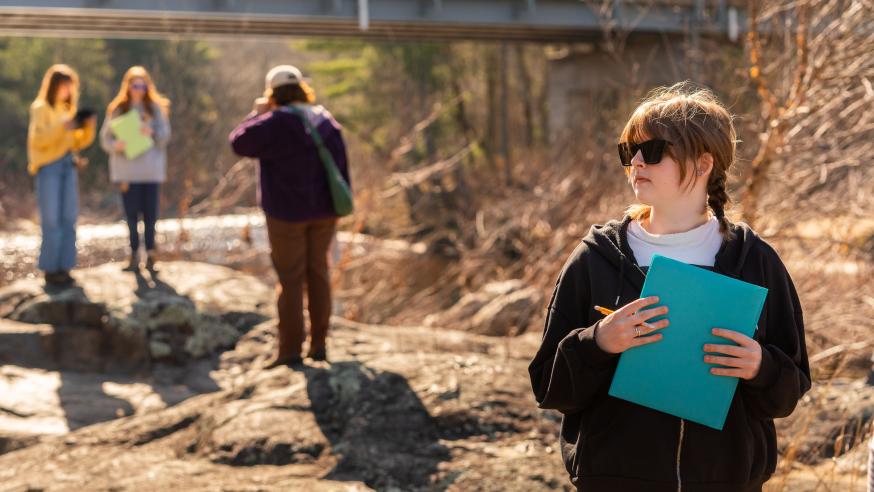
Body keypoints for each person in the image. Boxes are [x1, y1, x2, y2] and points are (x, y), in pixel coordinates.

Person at [528, 83, 811, 491]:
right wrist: (598, 342)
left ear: (703, 164)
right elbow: (548, 387)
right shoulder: (596, 258)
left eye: (654, 150)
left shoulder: (754, 261)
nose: (637, 162)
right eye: (629, 151)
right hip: (614, 481)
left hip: (725, 482)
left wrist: (760, 366)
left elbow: (788, 392)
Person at [229, 65, 350, 367]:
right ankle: (319, 345)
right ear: (301, 90)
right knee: (319, 274)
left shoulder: (273, 123)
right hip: (324, 212)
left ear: (273, 94)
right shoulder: (325, 122)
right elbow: (342, 169)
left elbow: (238, 142)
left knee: (291, 280)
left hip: (285, 214)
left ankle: (290, 351)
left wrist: (256, 114)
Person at [27, 64, 97, 287]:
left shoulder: (68, 109)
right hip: (48, 167)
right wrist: (63, 126)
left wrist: (87, 127)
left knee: (69, 218)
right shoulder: (40, 108)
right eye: (63, 85)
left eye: (70, 86)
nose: (67, 90)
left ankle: (65, 267)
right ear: (53, 85)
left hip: (68, 165)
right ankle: (50, 269)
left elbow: (78, 142)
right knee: (51, 219)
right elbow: (39, 140)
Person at [100, 66, 171, 272]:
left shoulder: (156, 109)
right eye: (135, 84)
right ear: (127, 85)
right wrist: (116, 146)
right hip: (126, 172)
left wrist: (151, 132)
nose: (138, 89)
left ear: (148, 86)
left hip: (151, 172)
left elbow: (165, 137)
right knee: (131, 216)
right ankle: (132, 255)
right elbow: (105, 139)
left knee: (151, 216)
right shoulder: (117, 109)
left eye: (142, 84)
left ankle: (150, 255)